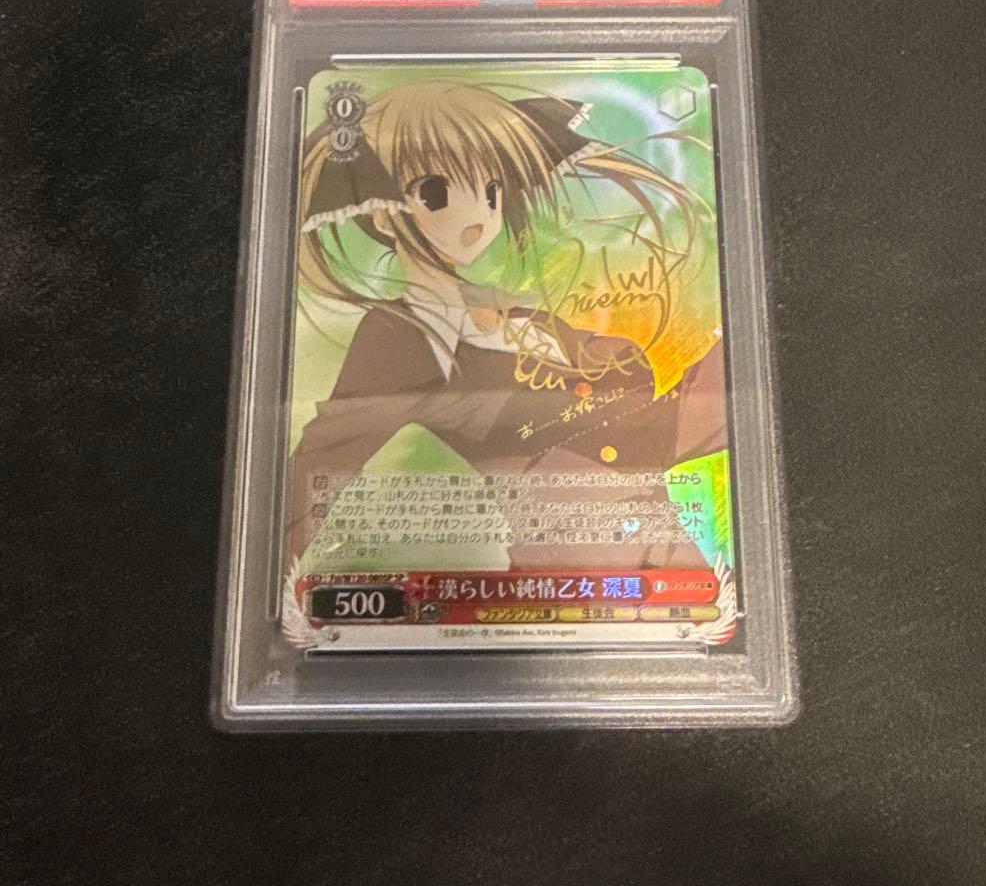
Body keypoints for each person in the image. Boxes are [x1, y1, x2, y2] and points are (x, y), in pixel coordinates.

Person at [289, 78, 727, 570]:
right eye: (436, 193)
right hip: (572, 539)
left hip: (649, 518)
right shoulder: (401, 334)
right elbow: (326, 456)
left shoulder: (517, 310)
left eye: (491, 192)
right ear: (384, 217)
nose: (479, 218)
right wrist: (279, 575)